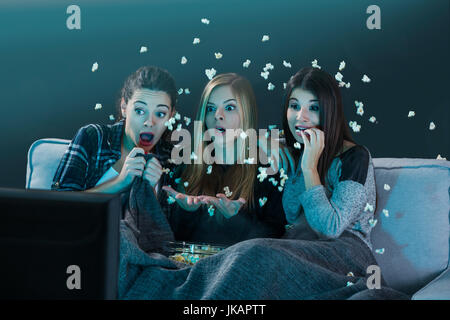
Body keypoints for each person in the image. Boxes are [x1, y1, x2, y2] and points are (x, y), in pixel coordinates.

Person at [162, 73, 287, 246]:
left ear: (246, 113)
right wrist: (186, 211)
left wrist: (235, 218)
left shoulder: (268, 168)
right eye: (211, 108)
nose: (218, 116)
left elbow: (275, 237)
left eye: (229, 108)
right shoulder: (186, 164)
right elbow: (172, 239)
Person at [51, 65, 178, 202]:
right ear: (124, 107)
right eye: (140, 111)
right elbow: (59, 205)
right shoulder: (94, 138)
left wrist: (151, 193)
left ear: (171, 116)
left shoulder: (171, 158)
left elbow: (170, 221)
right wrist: (120, 182)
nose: (149, 122)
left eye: (160, 114)